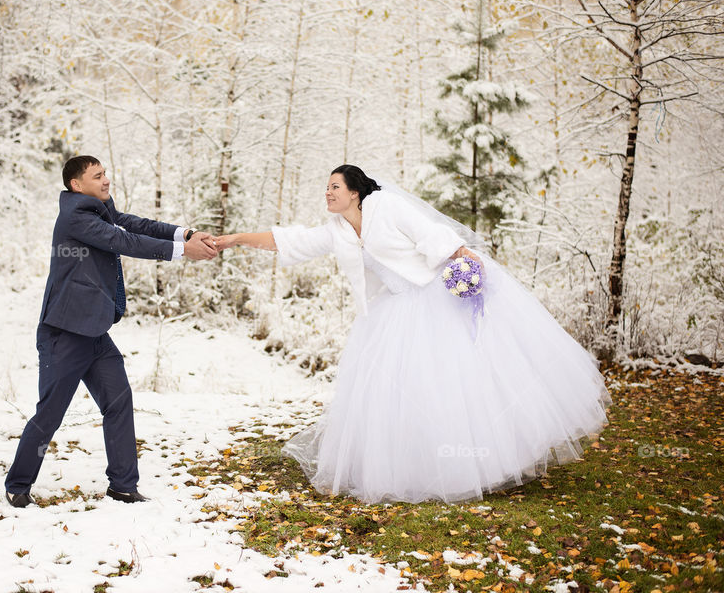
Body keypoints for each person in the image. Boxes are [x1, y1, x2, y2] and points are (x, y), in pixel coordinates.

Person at [214, 164, 612, 504]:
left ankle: (477, 462)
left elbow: (428, 232)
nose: (328, 192)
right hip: (392, 309)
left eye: (334, 186)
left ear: (355, 191)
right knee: (401, 394)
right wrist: (234, 240)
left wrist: (462, 257)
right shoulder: (337, 229)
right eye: (327, 187)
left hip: (434, 297)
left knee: (452, 383)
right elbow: (290, 241)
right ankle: (418, 466)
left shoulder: (386, 206)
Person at [4, 155, 217, 507]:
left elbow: (132, 225)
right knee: (50, 414)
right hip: (65, 333)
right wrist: (183, 252)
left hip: (94, 332)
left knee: (119, 401)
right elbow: (124, 242)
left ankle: (122, 485)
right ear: (77, 184)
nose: (106, 180)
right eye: (97, 176)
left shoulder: (98, 208)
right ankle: (18, 484)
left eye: (105, 174)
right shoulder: (76, 217)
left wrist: (185, 233)